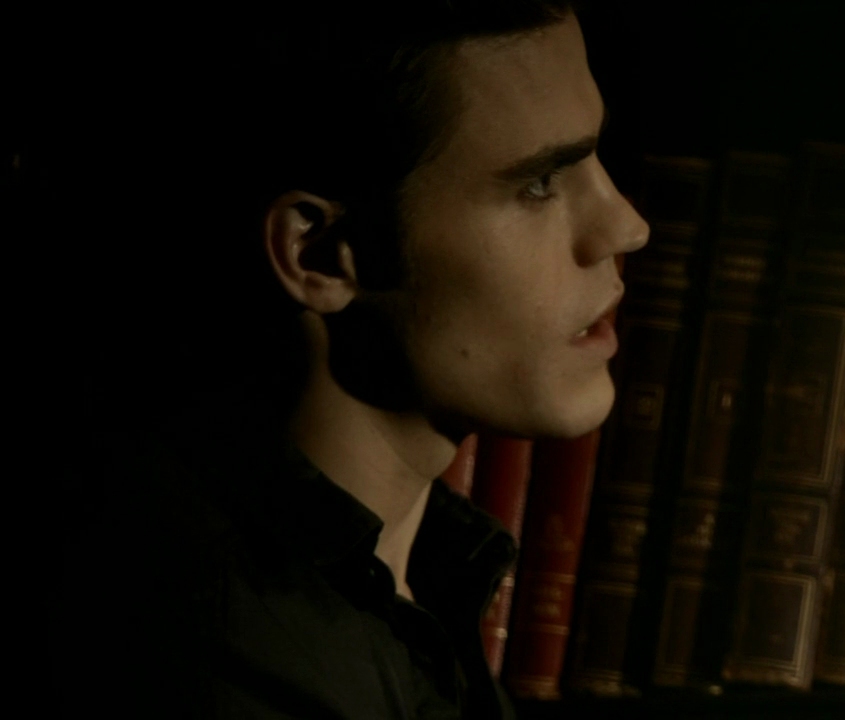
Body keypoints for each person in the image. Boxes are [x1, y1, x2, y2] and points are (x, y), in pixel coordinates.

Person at [56, 2, 649, 717]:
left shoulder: (420, 595)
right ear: (318, 255)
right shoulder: (225, 660)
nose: (627, 227)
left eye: (596, 160)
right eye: (539, 184)